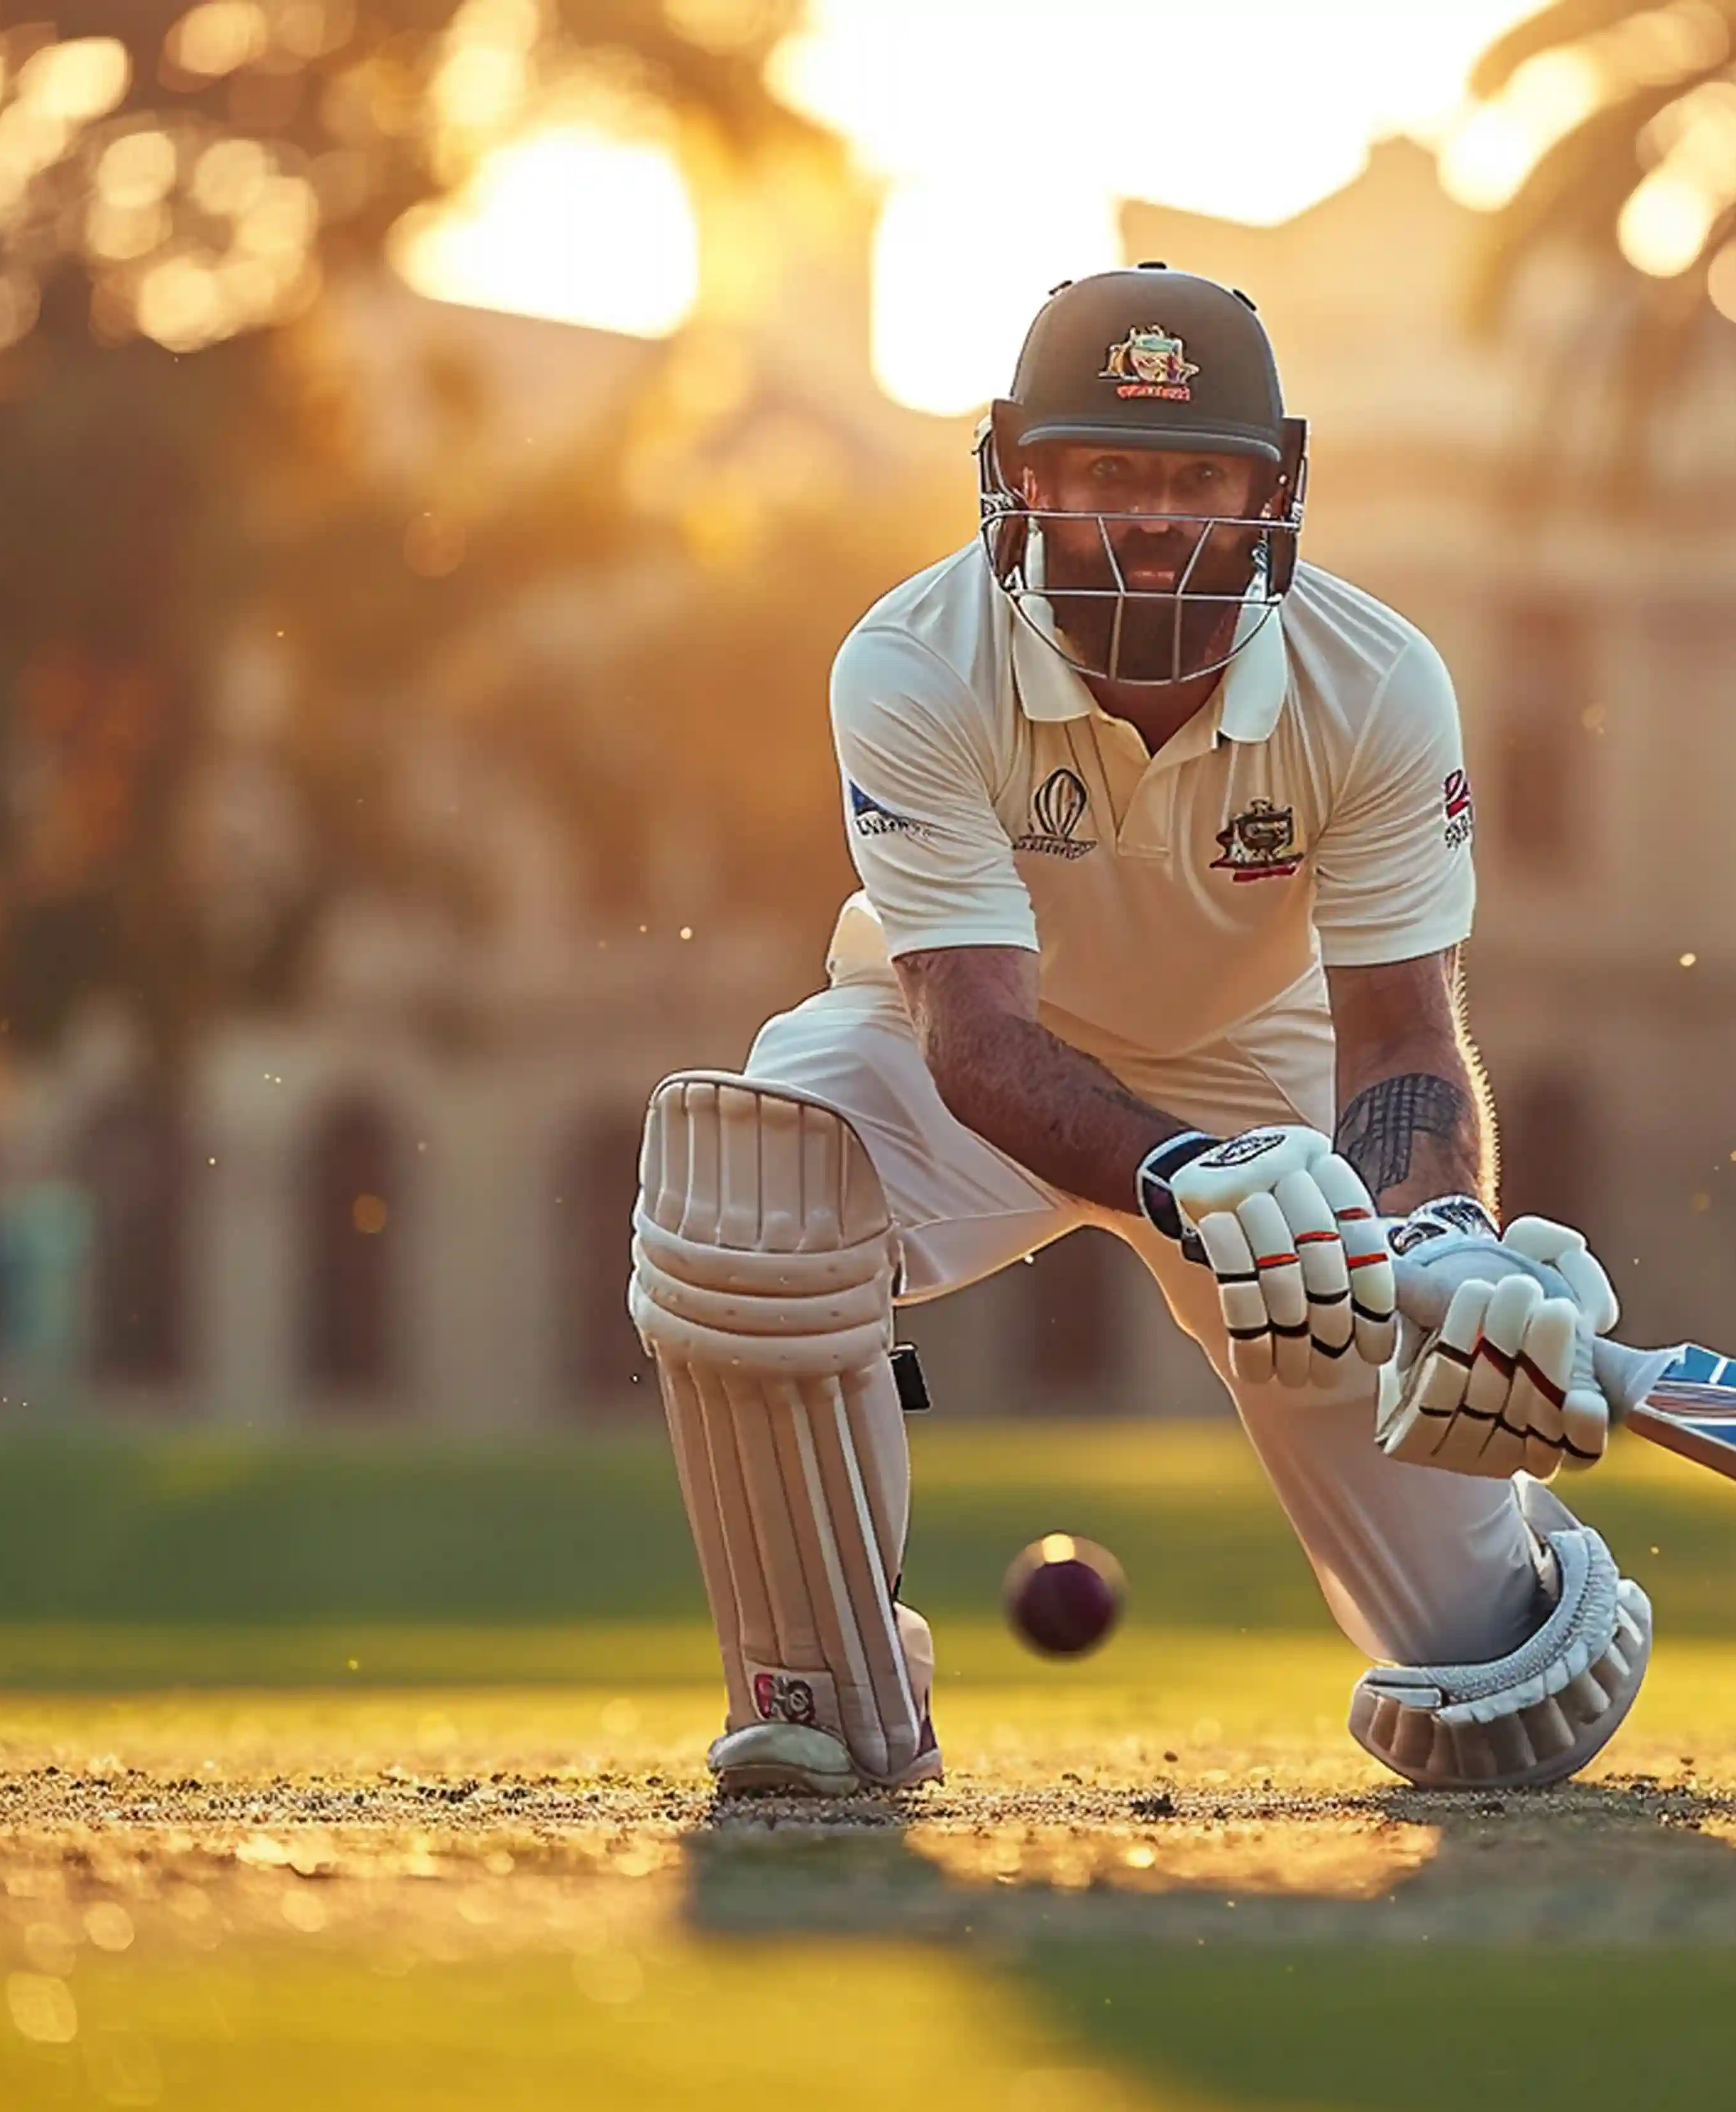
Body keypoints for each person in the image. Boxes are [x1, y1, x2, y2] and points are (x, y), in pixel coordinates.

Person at [630, 264, 1647, 1798]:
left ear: (1266, 494)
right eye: (1108, 471)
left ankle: (1511, 1557)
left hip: (1264, 1068)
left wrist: (1444, 1236)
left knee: (1509, 1699)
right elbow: (977, 1036)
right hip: (951, 1051)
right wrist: (1187, 1175)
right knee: (753, 1187)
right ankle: (825, 1684)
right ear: (1022, 479)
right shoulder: (912, 658)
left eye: (1194, 479)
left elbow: (1399, 1032)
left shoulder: (1376, 681)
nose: (1153, 520)